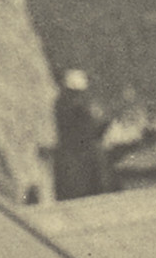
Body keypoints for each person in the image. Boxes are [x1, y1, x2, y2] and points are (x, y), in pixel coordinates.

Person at [48, 66, 112, 203]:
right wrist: (104, 124)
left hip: (69, 154)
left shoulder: (61, 103)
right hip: (81, 155)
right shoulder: (77, 106)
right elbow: (89, 131)